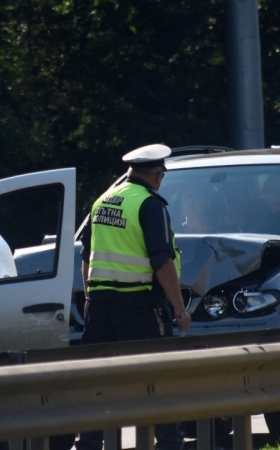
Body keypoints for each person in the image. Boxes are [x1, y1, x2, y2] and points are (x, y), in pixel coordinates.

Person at [76, 144, 191, 450]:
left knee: (98, 382)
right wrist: (179, 309)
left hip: (99, 308)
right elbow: (162, 260)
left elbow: (86, 255)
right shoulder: (149, 204)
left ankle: (88, 444)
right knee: (156, 378)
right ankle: (168, 444)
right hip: (137, 306)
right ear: (156, 175)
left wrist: (91, 299)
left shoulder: (102, 201)